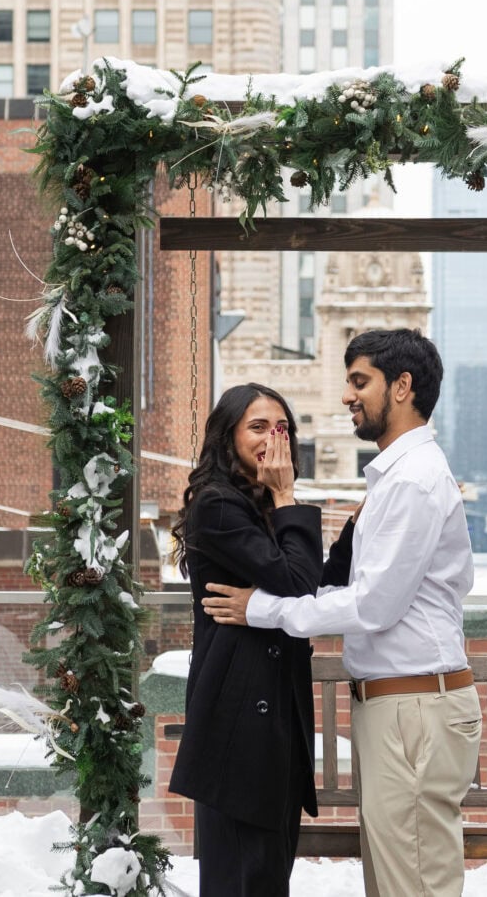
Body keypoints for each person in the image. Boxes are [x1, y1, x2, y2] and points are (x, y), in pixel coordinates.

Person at [202, 329, 482, 897]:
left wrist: (263, 609)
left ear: (401, 387)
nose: (347, 396)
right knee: (398, 879)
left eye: (359, 382)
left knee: (415, 884)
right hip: (401, 706)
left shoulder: (413, 480)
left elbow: (372, 605)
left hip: (413, 707)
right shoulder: (396, 479)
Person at [168, 383, 323, 897]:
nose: (272, 438)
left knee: (266, 874)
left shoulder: (256, 505)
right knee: (242, 876)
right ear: (227, 435)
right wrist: (285, 497)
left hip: (274, 716)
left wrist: (350, 536)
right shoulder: (217, 506)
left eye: (281, 427)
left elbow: (307, 582)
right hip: (238, 721)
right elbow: (296, 583)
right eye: (258, 426)